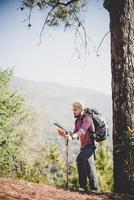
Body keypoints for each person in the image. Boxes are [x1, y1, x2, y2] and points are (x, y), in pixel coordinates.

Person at [58, 101, 100, 194]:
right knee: (90, 166)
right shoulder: (77, 121)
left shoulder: (87, 119)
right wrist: (65, 135)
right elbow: (74, 134)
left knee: (80, 159)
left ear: (81, 109)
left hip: (90, 145)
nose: (73, 112)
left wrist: (72, 136)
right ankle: (95, 189)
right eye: (73, 110)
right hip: (84, 146)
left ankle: (83, 186)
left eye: (75, 110)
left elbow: (81, 131)